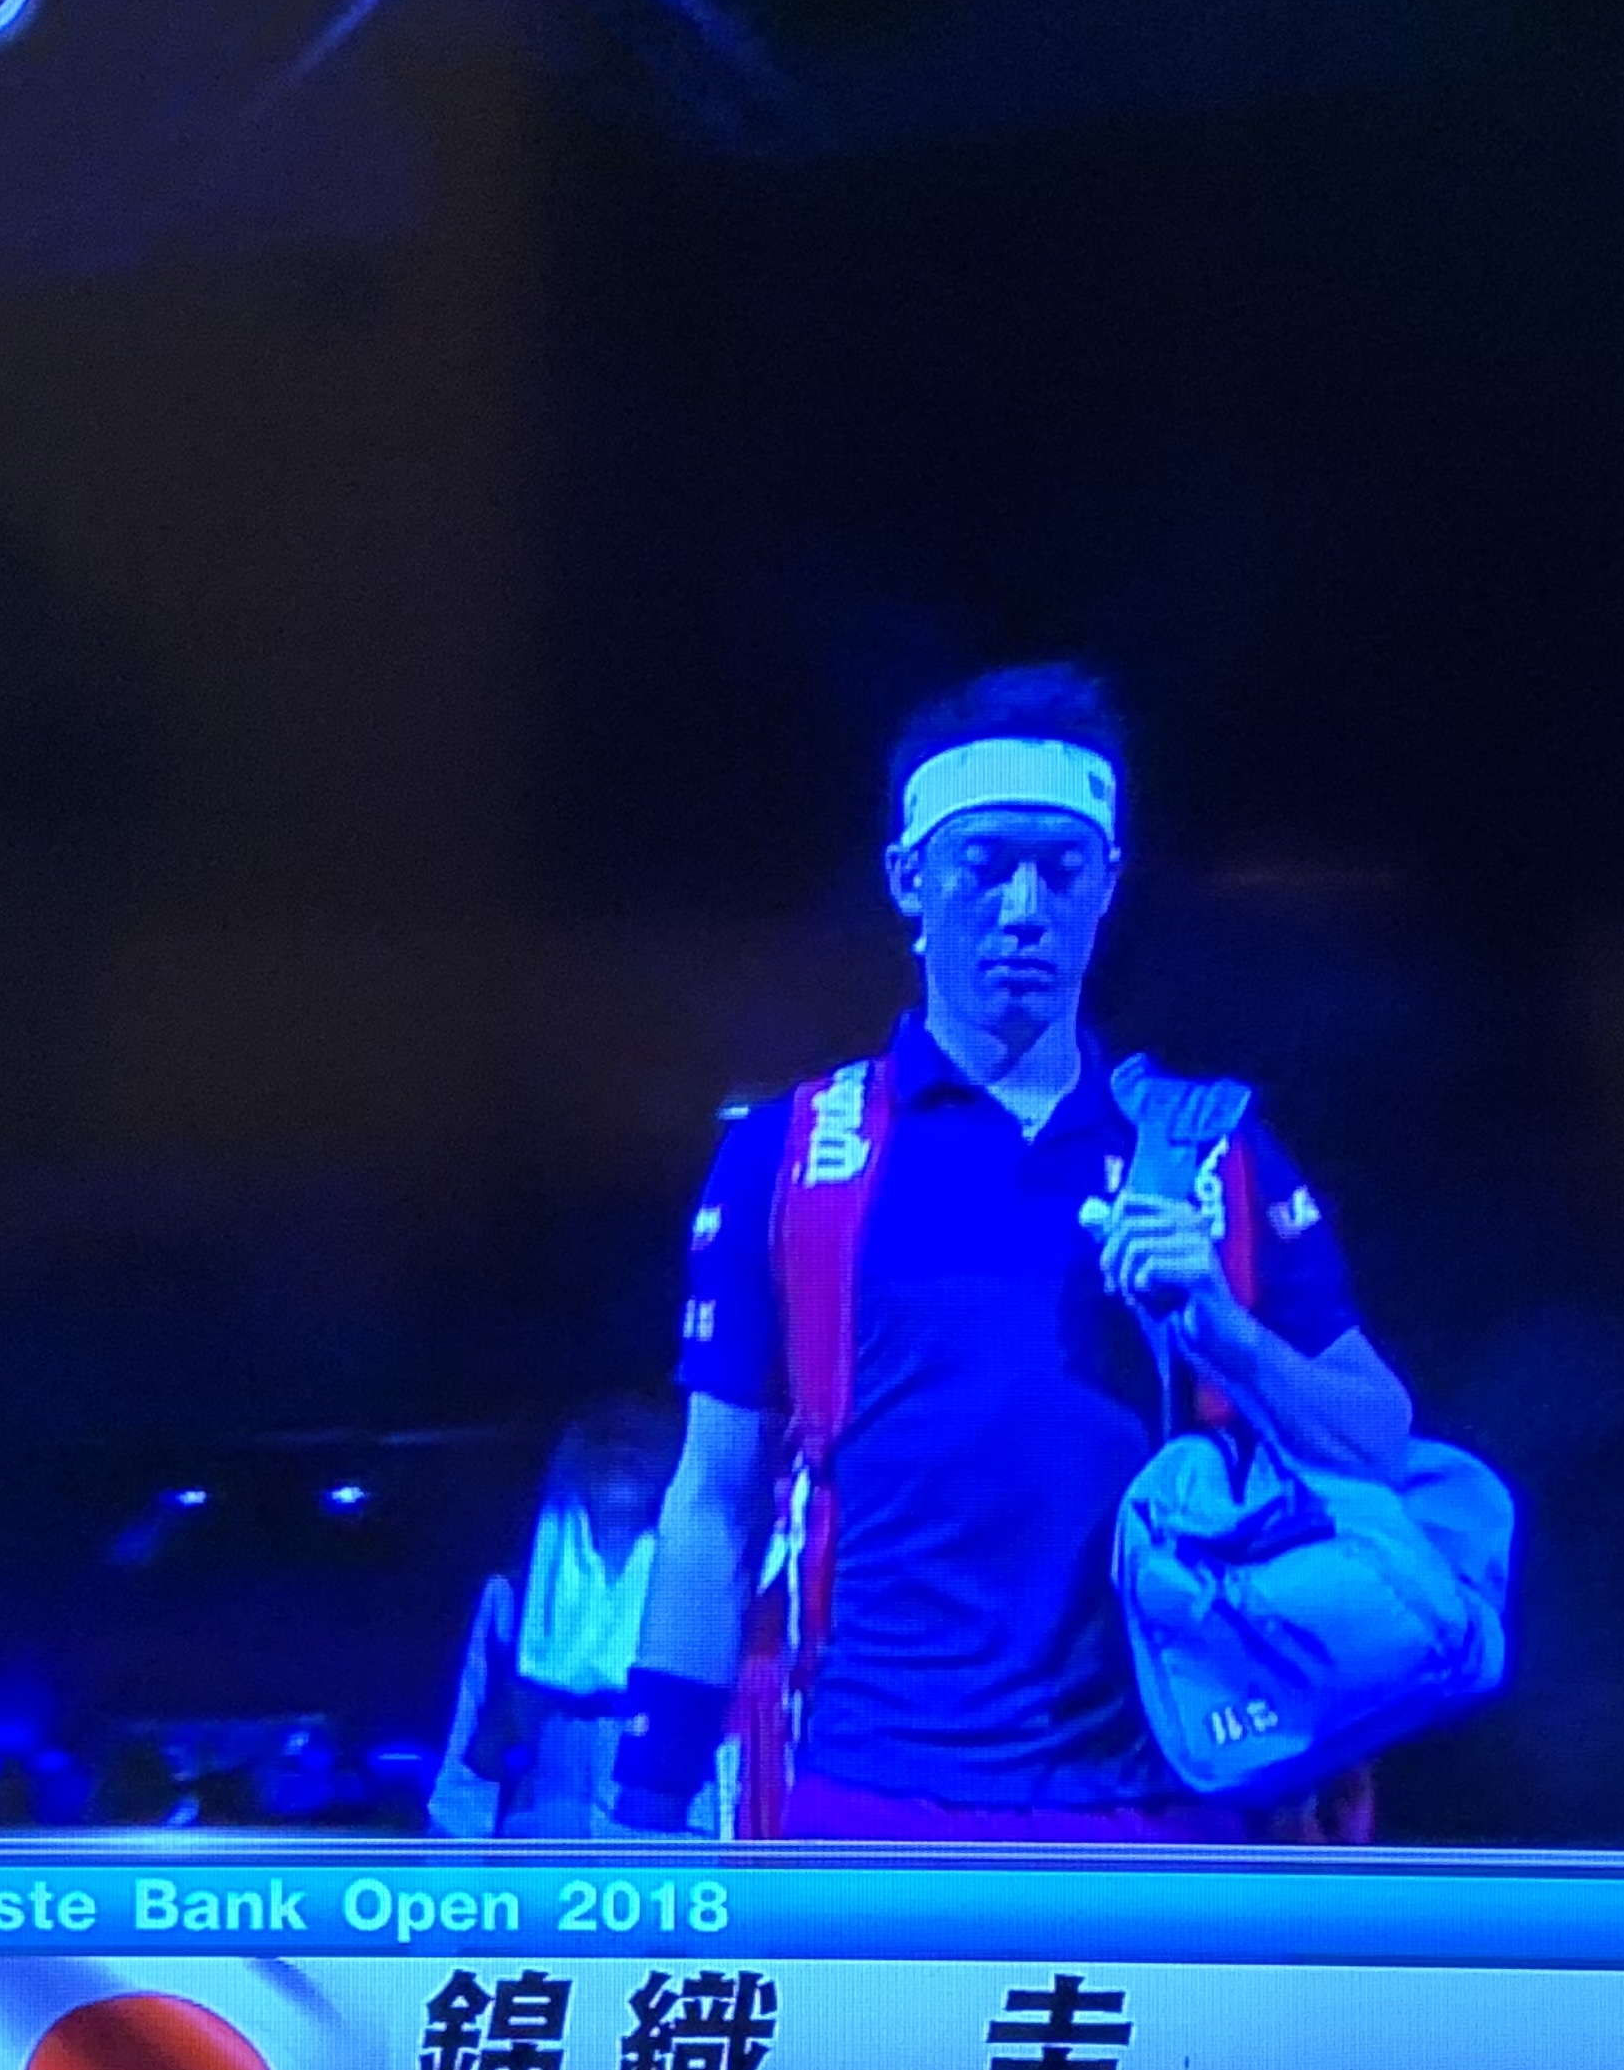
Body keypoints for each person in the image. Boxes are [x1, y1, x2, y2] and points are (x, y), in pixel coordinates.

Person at [606, 662, 1418, 1841]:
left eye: (1063, 869)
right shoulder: (790, 1159)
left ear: (1109, 885)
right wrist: (644, 1810)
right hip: (871, 1799)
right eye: (985, 866)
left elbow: (1379, 1440)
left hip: (1170, 1803)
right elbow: (712, 1504)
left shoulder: (1212, 1150)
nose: (1025, 908)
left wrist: (1226, 1335)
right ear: (910, 880)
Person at [429, 1398, 686, 1838]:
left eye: (641, 1435)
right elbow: (468, 1762)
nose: (622, 1449)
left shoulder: (709, 1599)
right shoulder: (513, 1594)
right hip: (544, 1846)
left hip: (666, 1852)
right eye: (606, 1434)